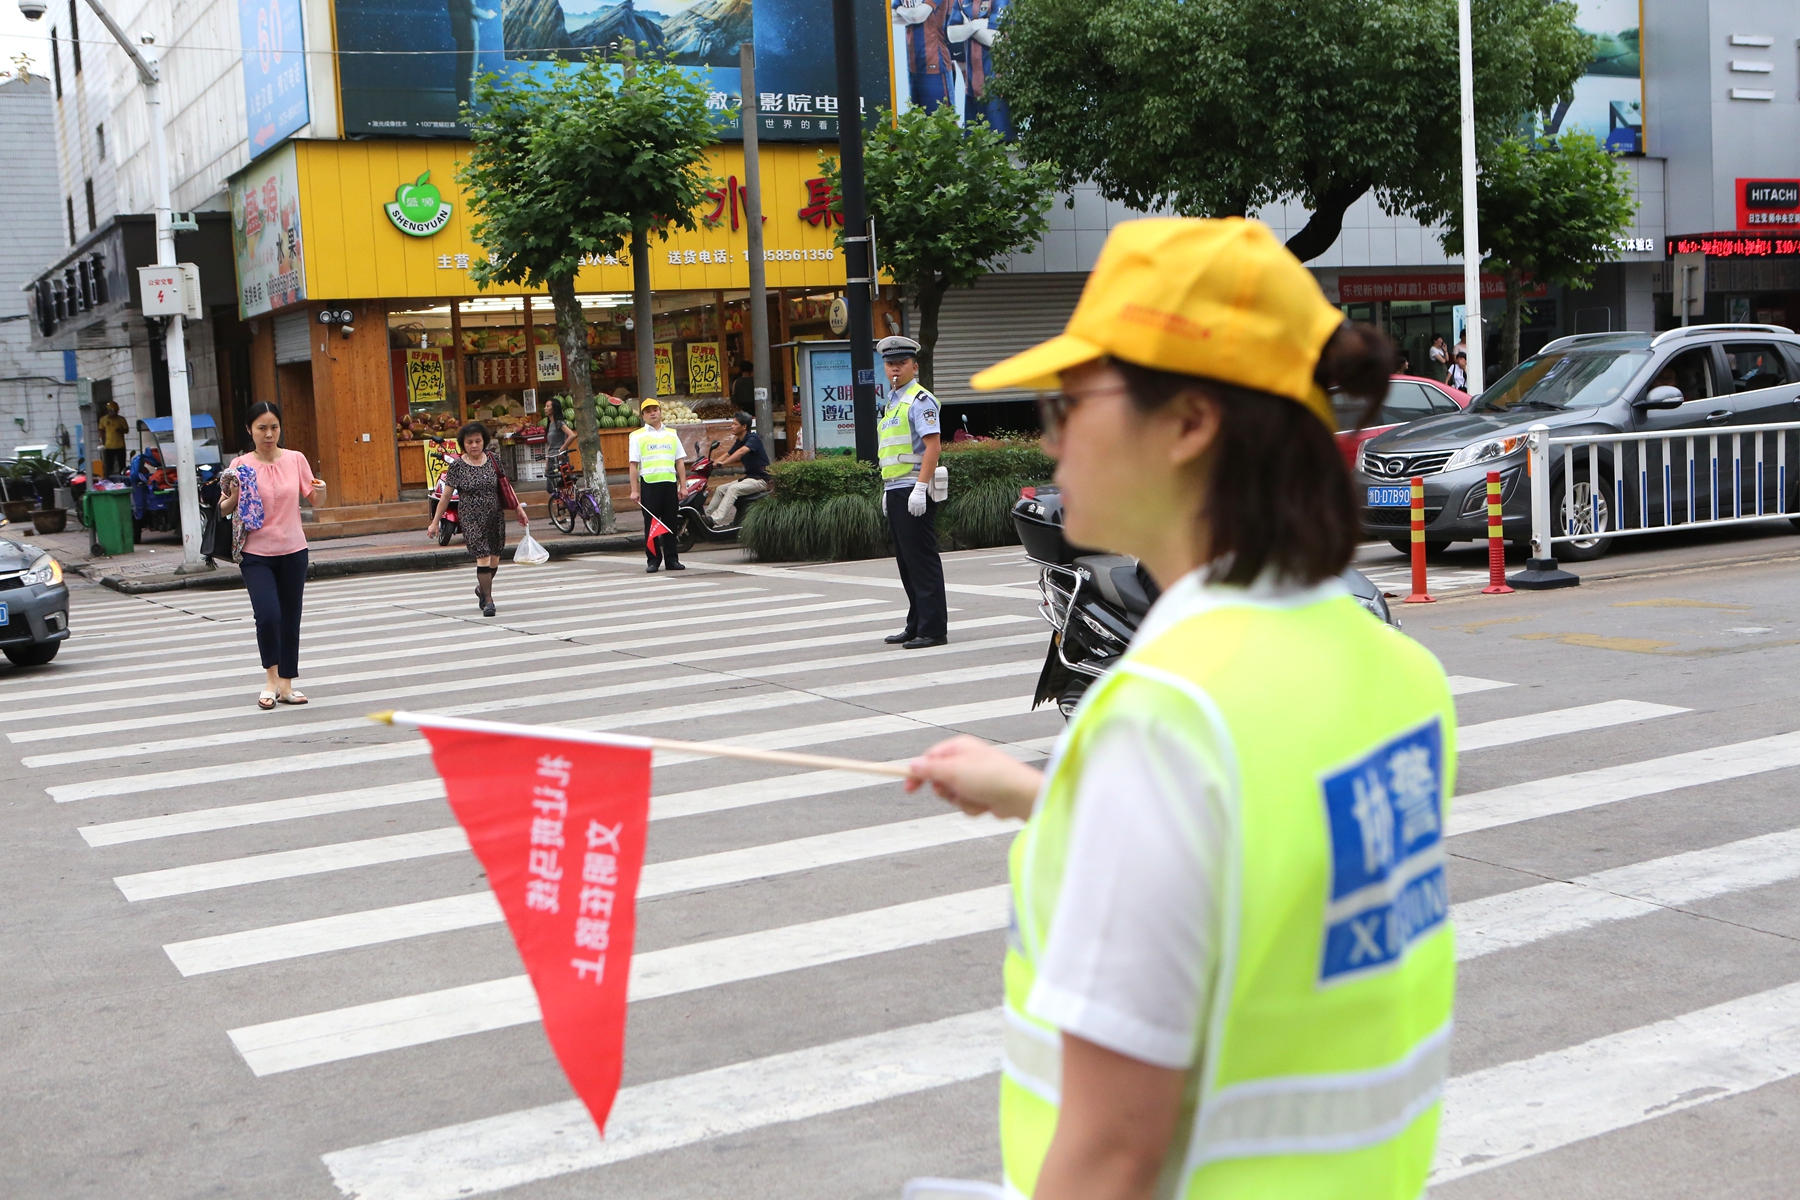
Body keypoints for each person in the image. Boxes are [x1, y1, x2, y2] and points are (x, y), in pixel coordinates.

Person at [905, 217, 1457, 1200]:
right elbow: (1255, 865)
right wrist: (1047, 793)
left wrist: (1091, 782)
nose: (1050, 434)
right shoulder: (1395, 674)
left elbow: (1117, 1152)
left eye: (1073, 400)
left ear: (1192, 420)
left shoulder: (1167, 719)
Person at [219, 401, 326, 710]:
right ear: (250, 430)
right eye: (262, 428)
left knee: (291, 617)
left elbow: (315, 498)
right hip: (256, 553)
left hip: (294, 550)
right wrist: (235, 496)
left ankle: (287, 685)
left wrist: (324, 489)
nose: (269, 434)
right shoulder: (240, 465)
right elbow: (222, 508)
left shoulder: (296, 459)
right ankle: (271, 680)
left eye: (274, 427)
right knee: (268, 616)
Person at [876, 335, 948, 648]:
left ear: (914, 366)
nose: (895, 368)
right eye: (890, 363)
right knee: (906, 562)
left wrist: (920, 488)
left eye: (902, 363)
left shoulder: (920, 400)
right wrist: (887, 489)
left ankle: (933, 629)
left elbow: (933, 446)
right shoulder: (892, 401)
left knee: (921, 560)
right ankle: (916, 622)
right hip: (896, 487)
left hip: (913, 487)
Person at [429, 421, 527, 616]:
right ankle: (488, 601)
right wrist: (434, 522)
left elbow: (505, 486)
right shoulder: (457, 466)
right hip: (470, 517)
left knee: (495, 559)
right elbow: (446, 496)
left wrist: (518, 509)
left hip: (494, 515)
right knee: (482, 556)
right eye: (469, 442)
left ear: (484, 442)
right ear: (463, 444)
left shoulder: (493, 459)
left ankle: (481, 588)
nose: (474, 445)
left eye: (478, 441)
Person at [628, 398, 688, 573]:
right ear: (643, 416)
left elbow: (680, 462)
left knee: (670, 523)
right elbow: (633, 465)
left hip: (669, 483)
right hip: (649, 484)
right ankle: (653, 560)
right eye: (648, 411)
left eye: (655, 410)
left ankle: (672, 559)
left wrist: (682, 486)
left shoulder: (671, 434)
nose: (653, 413)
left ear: (661, 412)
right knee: (651, 524)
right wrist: (634, 490)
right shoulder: (637, 436)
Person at [706, 410, 770, 526]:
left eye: (735, 424)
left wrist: (723, 463)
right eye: (732, 423)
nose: (732, 426)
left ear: (744, 426)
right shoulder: (739, 441)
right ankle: (706, 518)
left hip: (761, 480)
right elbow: (728, 453)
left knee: (733, 489)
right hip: (749, 478)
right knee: (720, 489)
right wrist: (711, 463)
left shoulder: (753, 438)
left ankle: (715, 519)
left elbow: (741, 452)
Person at [98, 400, 129, 478]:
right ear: (109, 411)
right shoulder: (103, 420)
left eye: (116, 411)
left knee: (122, 464)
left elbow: (126, 430)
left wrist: (120, 430)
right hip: (108, 446)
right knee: (109, 465)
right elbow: (101, 430)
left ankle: (123, 479)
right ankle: (108, 478)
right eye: (112, 411)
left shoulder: (121, 419)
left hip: (120, 445)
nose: (114, 413)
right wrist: (101, 442)